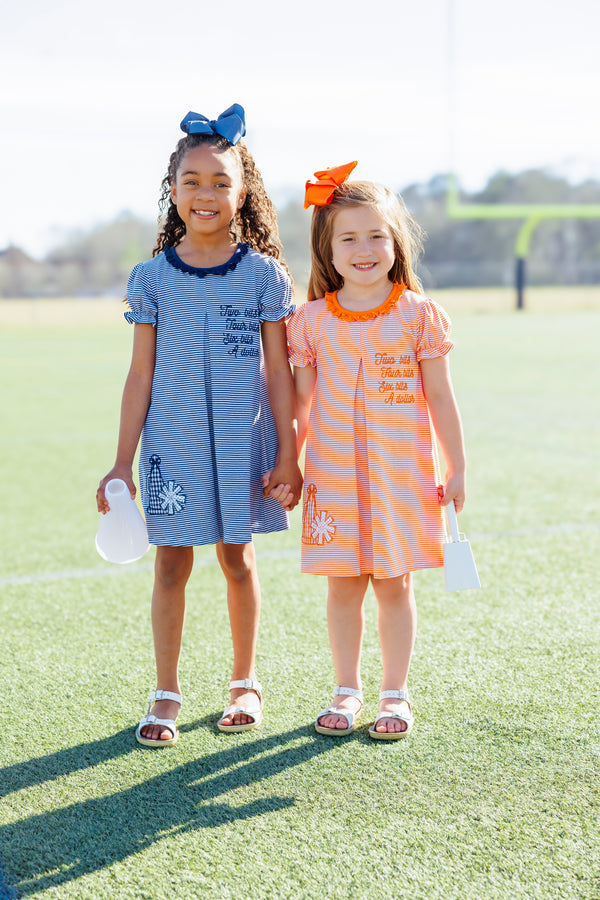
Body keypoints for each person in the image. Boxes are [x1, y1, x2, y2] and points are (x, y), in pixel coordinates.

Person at [96, 105, 302, 747]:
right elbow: (139, 378)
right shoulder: (150, 280)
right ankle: (166, 691)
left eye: (220, 181)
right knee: (169, 567)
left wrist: (290, 453)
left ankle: (245, 681)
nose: (205, 194)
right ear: (173, 190)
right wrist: (119, 462)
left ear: (243, 193)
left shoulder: (264, 275)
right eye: (192, 181)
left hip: (246, 447)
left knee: (238, 560)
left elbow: (279, 372)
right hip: (170, 451)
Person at [285, 161, 466, 739]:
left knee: (394, 584)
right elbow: (301, 406)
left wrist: (458, 466)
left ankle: (394, 695)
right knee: (342, 584)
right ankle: (346, 690)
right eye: (349, 238)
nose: (363, 249)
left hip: (400, 479)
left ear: (395, 242)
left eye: (376, 236)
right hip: (332, 480)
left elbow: (440, 395)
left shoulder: (418, 315)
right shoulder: (309, 321)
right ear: (327, 248)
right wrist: (289, 462)